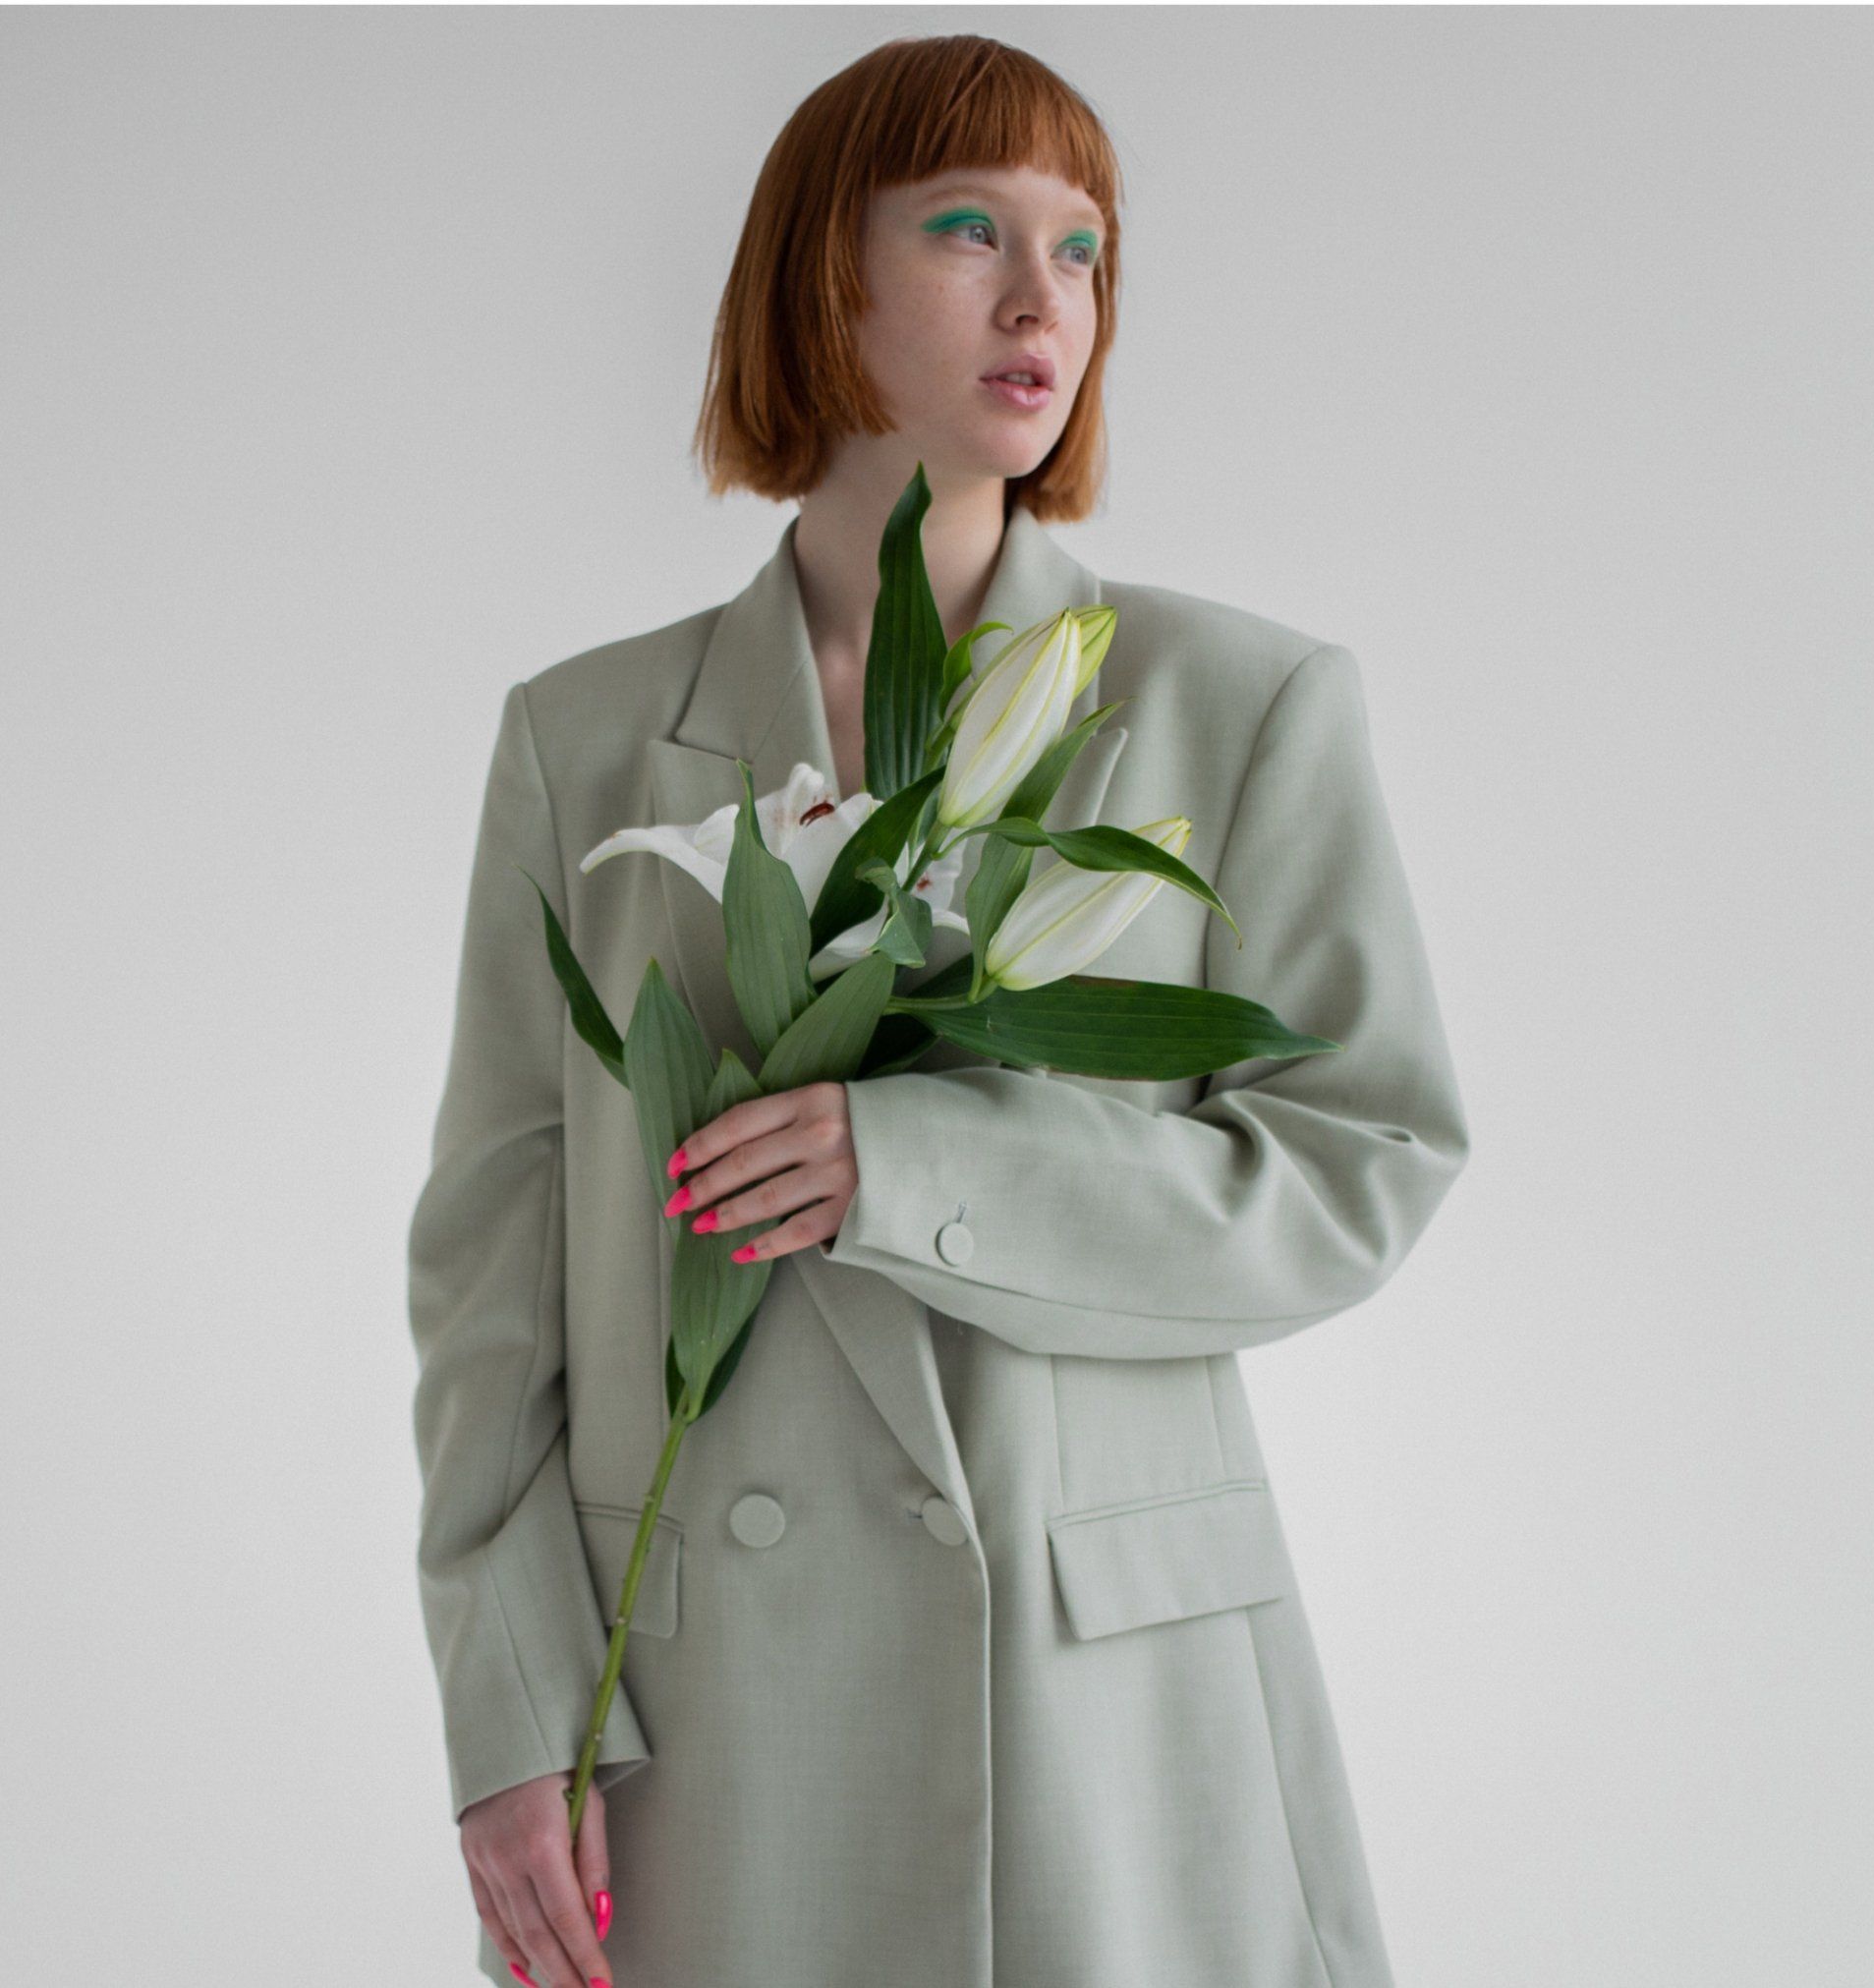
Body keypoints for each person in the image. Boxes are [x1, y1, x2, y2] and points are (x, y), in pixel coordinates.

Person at [408, 32, 1470, 1988]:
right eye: (969, 227)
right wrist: (508, 1717)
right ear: (829, 279)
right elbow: (490, 1276)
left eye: (1085, 251)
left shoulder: (1240, 705)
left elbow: (1366, 1157)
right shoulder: (581, 741)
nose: (1039, 296)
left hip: (1109, 1717)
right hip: (702, 1723)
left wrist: (909, 1163)